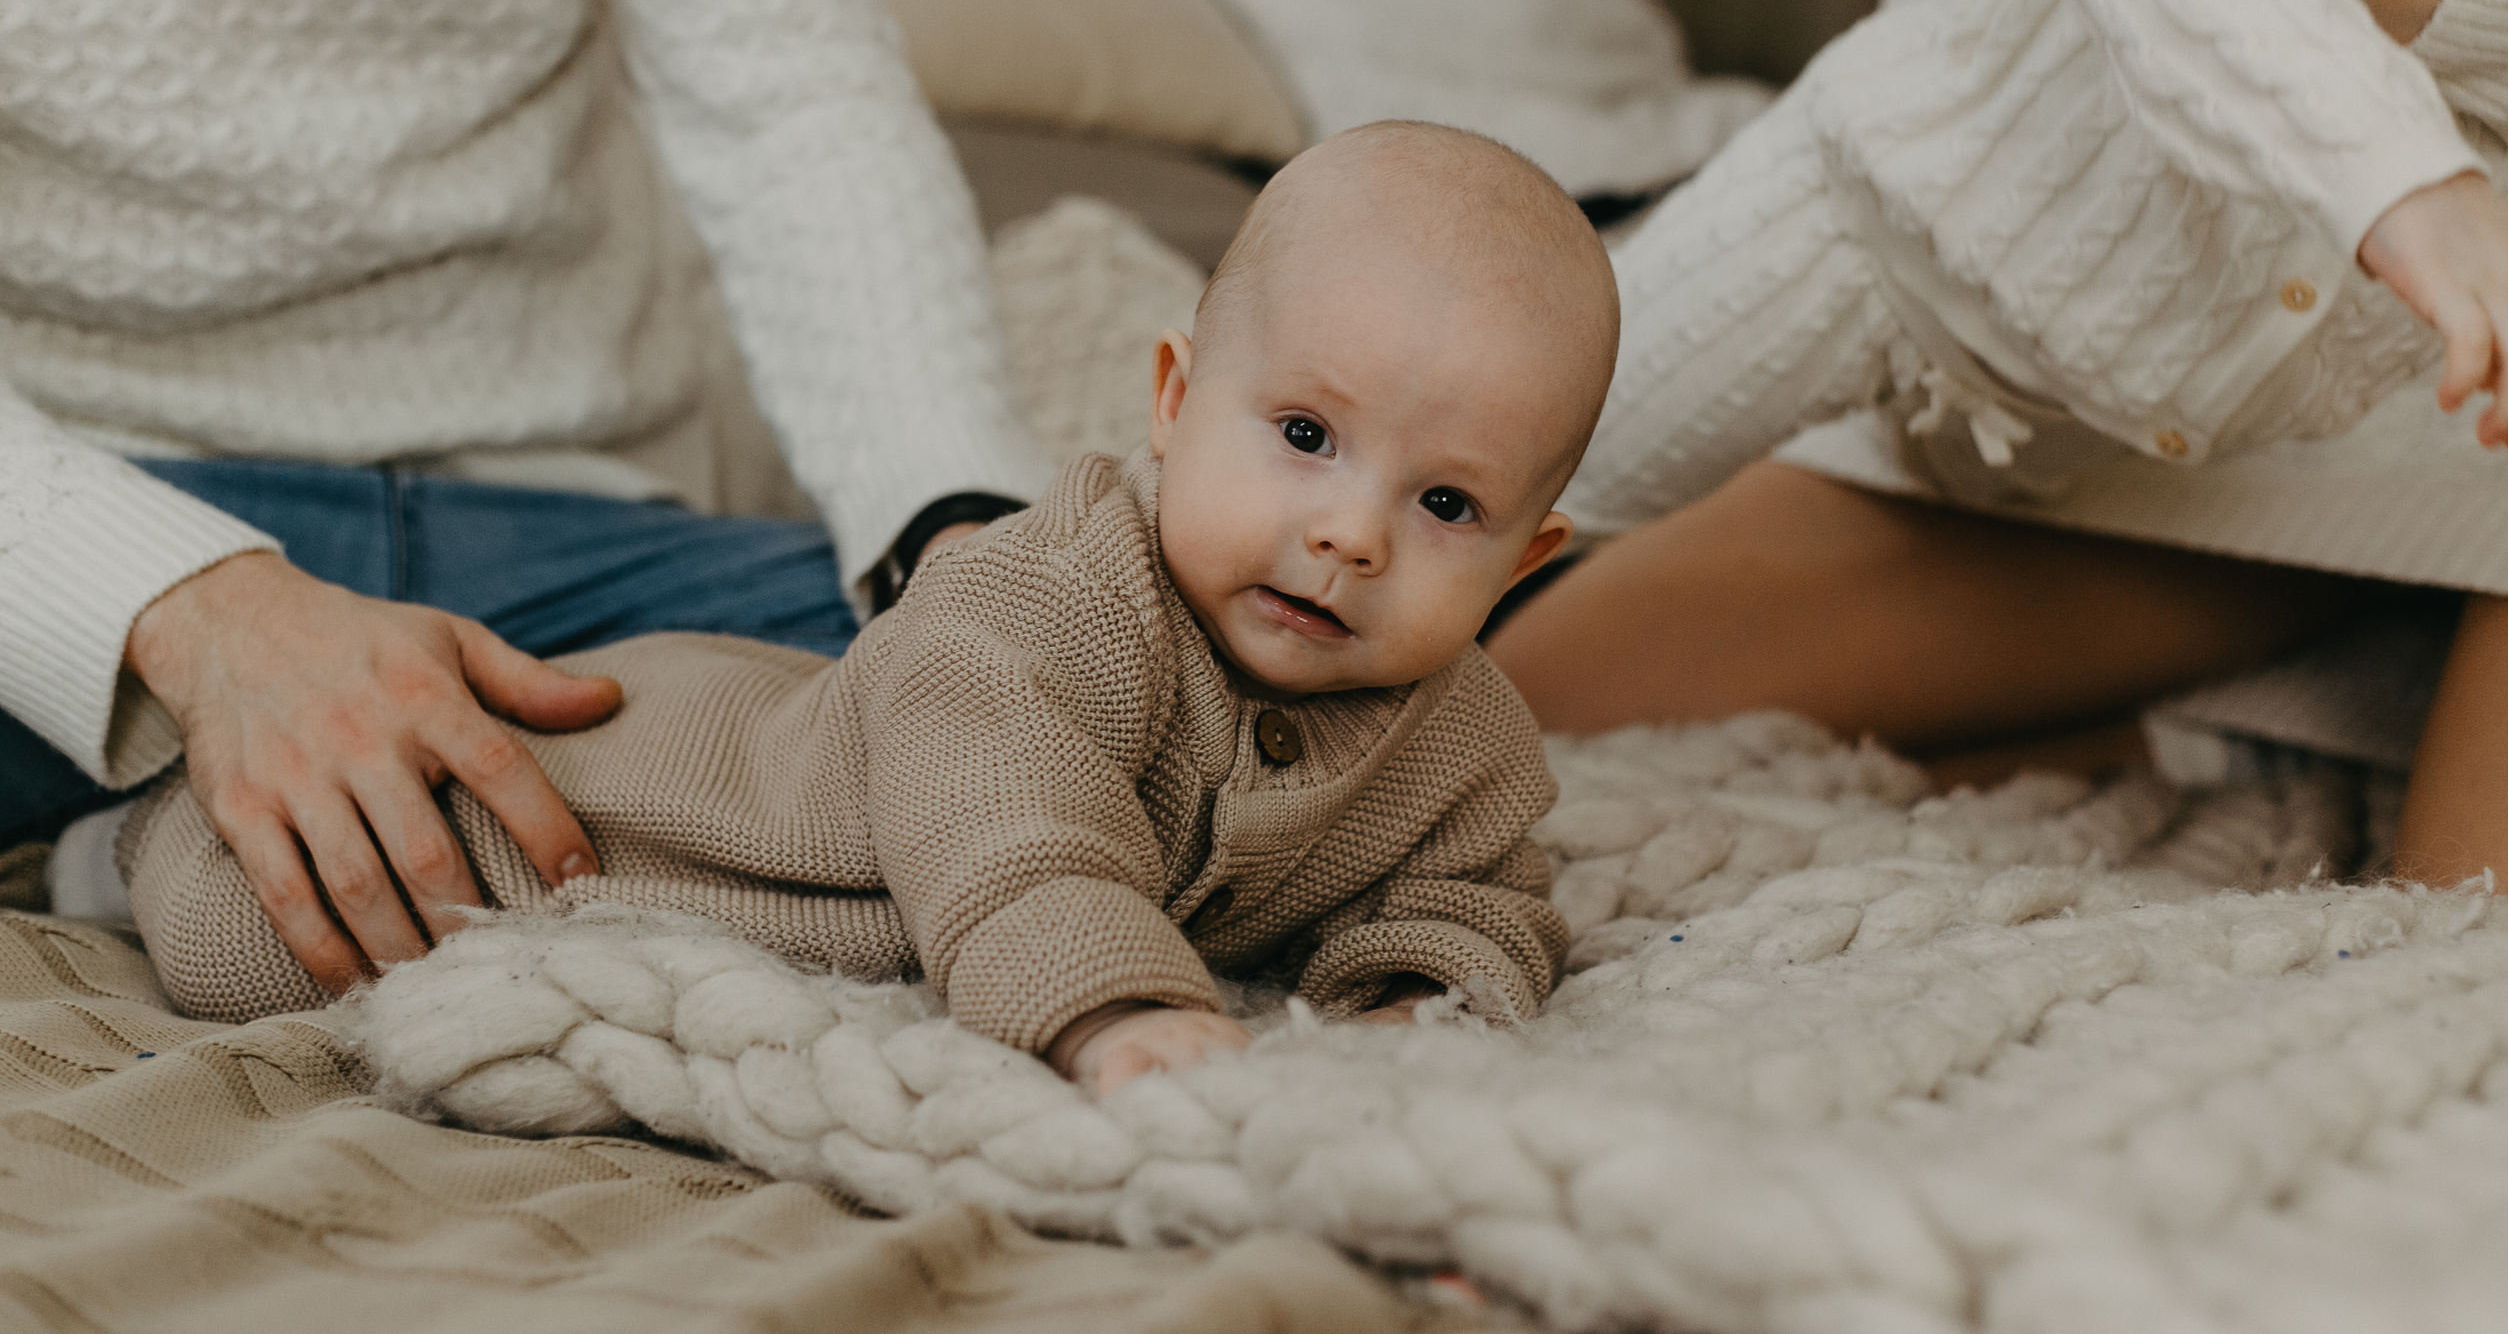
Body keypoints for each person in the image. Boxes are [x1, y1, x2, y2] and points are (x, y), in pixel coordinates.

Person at [121, 123, 1612, 1093]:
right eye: (1303, 435)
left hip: (767, 806)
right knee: (250, 929)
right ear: (1172, 400)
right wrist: (1115, 1011)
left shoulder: (1461, 741)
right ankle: (124, 831)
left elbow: (1478, 898)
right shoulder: (1051, 594)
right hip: (635, 813)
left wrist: (1416, 1004)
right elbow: (1009, 825)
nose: (1350, 532)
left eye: (1445, 506)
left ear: (1526, 559)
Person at [0, 0, 1054, 980]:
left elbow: (791, 94)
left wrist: (958, 539)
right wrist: (199, 619)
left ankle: (179, 839)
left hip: (561, 517)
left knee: (1140, 718)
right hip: (106, 507)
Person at [1492, 0, 2508, 896]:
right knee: (1526, 686)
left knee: (2476, 929)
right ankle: (2273, 681)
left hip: (2486, 381)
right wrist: (1926, 293)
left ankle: (2353, 654)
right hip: (2139, 366)